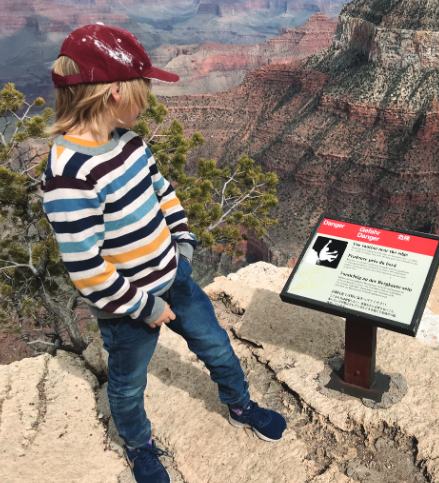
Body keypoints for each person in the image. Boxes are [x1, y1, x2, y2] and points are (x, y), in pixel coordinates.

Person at [39, 24, 286, 483]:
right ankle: (139, 445)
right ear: (115, 92)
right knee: (129, 386)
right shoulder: (68, 173)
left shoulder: (130, 143)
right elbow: (86, 267)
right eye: (143, 88)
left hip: (176, 278)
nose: (149, 99)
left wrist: (184, 243)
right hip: (128, 309)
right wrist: (143, 306)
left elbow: (163, 193)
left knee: (217, 347)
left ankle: (239, 404)